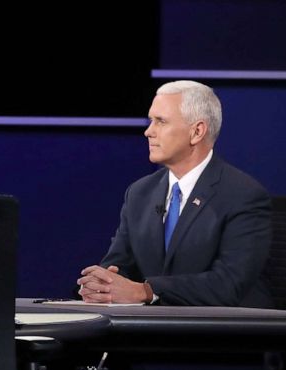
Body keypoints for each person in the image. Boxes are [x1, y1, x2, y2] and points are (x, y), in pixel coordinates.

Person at [77, 80, 272, 307]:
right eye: (151, 120)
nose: (148, 131)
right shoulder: (140, 193)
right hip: (149, 330)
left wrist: (147, 291)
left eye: (161, 121)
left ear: (197, 132)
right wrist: (100, 284)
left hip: (218, 333)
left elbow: (228, 284)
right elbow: (119, 265)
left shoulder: (243, 195)